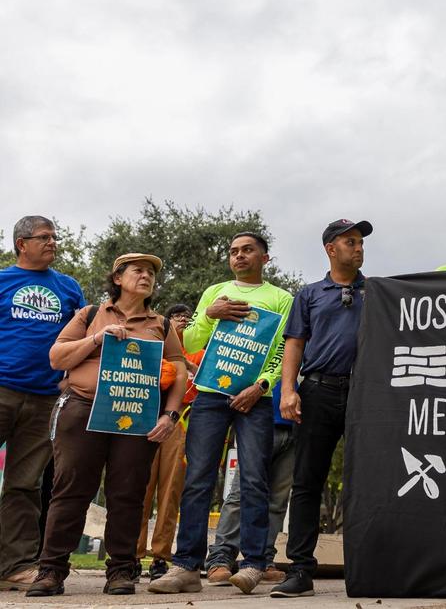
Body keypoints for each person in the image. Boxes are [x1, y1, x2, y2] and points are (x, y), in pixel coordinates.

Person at [26, 254, 187, 597]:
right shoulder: (89, 315)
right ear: (117, 278)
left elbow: (178, 368)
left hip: (137, 413)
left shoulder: (162, 323)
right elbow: (57, 356)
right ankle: (51, 570)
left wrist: (170, 415)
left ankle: (120, 570)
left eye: (152, 272)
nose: (146, 276)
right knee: (70, 490)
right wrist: (97, 339)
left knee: (128, 493)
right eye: (138, 270)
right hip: (83, 410)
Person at [149, 233, 293, 596]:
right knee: (197, 479)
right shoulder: (214, 292)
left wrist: (261, 386)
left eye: (247, 250)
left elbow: (283, 352)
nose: (239, 256)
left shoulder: (281, 298)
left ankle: (254, 564)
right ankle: (185, 566)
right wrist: (210, 315)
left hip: (254, 400)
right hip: (211, 396)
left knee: (255, 480)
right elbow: (192, 344)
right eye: (233, 251)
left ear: (265, 258)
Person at [271, 218, 371, 598]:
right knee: (307, 480)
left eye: (360, 242)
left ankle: (371, 561)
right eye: (350, 241)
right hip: (318, 391)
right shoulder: (309, 294)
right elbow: (295, 343)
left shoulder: (377, 292)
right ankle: (299, 570)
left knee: (368, 479)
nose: (358, 248)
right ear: (331, 249)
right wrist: (287, 390)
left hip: (365, 395)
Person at [0, 216, 85, 590]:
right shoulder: (3, 281)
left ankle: (15, 566)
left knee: (24, 484)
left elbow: (80, 337)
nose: (52, 242)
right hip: (1, 389)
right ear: (22, 243)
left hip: (46, 398)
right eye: (44, 237)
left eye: (54, 236)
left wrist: (70, 379)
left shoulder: (68, 288)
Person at [203, 379, 293, 587]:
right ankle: (221, 557)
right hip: (257, 419)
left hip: (293, 423)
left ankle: (264, 559)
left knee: (278, 501)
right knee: (241, 492)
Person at [134, 304, 199, 581]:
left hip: (179, 422)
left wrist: (190, 365)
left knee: (171, 492)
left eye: (187, 317)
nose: (182, 321)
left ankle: (161, 557)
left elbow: (200, 378)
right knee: (139, 489)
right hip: (147, 417)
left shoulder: (198, 350)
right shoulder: (153, 343)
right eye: (176, 317)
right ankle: (130, 555)